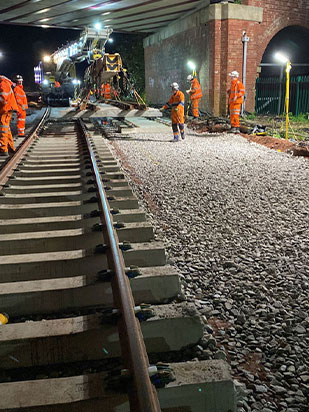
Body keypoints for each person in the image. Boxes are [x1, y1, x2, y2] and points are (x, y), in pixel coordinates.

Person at [0, 75, 18, 156]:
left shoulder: (3, 84)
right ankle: (10, 147)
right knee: (6, 128)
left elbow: (3, 98)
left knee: (3, 128)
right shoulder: (5, 83)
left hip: (5, 109)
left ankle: (3, 149)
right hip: (7, 108)